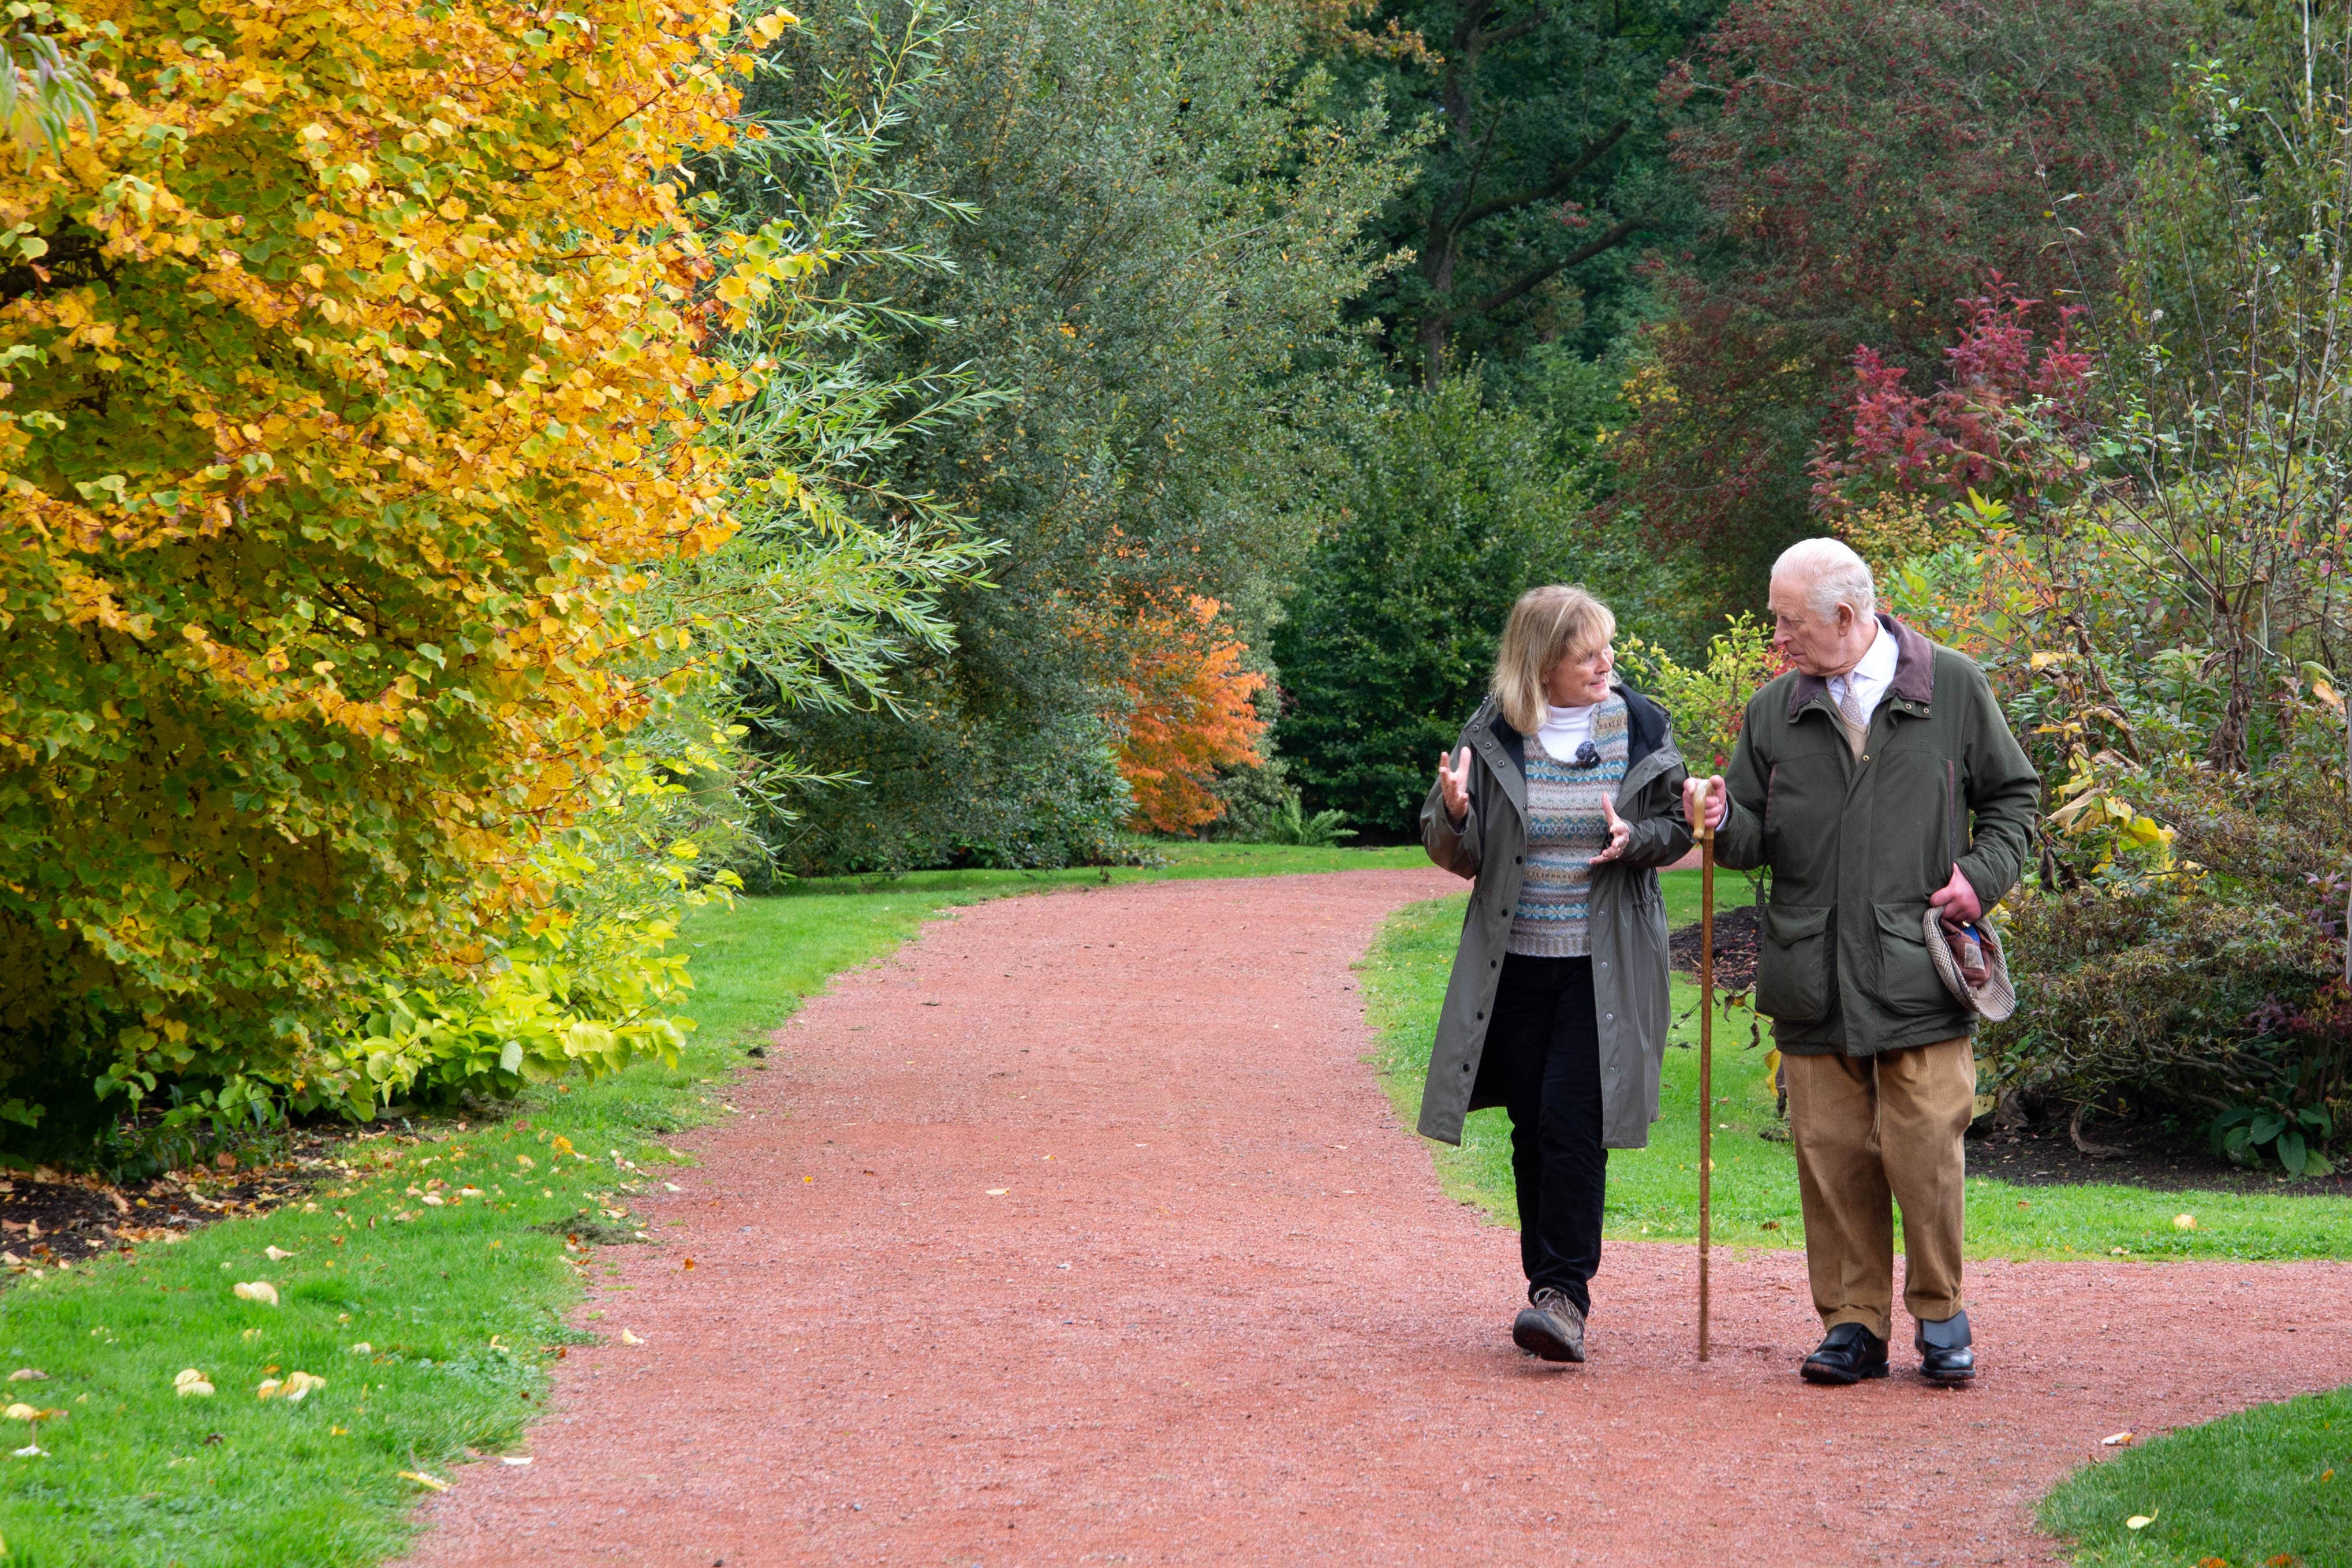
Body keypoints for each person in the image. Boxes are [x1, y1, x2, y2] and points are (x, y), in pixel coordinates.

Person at [1682, 539, 2039, 1386]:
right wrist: (1719, 817)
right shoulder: (1773, 710)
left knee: (1926, 1150)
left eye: (1787, 622)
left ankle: (1941, 1315)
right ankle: (1851, 1325)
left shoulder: (1952, 686)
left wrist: (1980, 877)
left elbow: (2014, 799)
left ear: (1845, 617)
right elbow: (1750, 839)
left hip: (1918, 968)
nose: (1777, 638)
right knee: (1831, 1154)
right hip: (1811, 974)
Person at [1419, 585, 1693, 1363]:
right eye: (1587, 655)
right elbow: (1454, 851)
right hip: (1513, 963)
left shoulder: (1640, 725)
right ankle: (1546, 1288)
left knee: (1572, 1122)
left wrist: (1636, 838)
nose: (1607, 665)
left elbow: (1677, 825)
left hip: (1602, 966)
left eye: (1608, 649)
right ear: (1541, 665)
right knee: (1531, 1125)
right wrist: (1456, 817)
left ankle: (1564, 1297)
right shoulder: (1492, 731)